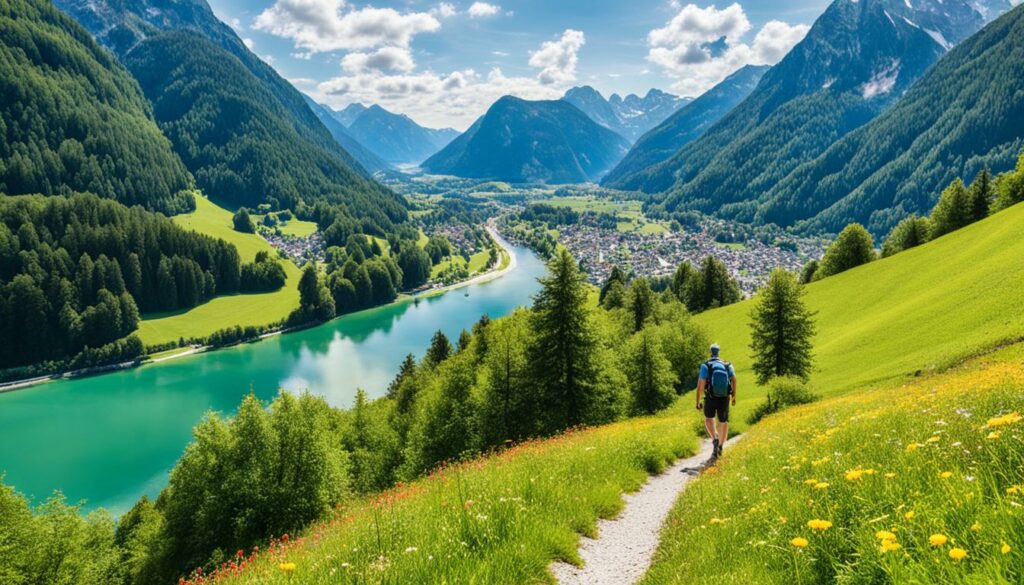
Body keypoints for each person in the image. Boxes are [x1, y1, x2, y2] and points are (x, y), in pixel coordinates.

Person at [695, 343, 736, 458]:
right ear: (718, 353)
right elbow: (734, 379)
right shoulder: (727, 365)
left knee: (709, 419)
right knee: (723, 422)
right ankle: (721, 447)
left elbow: (700, 385)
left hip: (711, 397)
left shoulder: (706, 365)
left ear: (710, 352)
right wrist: (734, 396)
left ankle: (715, 439)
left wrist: (698, 401)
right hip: (724, 398)